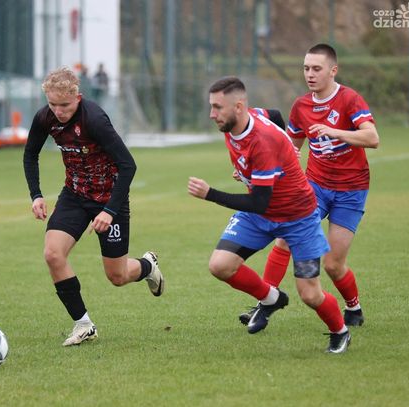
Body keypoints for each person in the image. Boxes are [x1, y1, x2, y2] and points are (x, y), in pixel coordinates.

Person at [188, 76, 350, 354]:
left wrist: (210, 193)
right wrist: (287, 151)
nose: (212, 114)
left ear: (238, 107)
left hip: (298, 219)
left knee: (310, 294)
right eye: (211, 106)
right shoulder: (246, 118)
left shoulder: (262, 142)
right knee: (220, 265)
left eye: (217, 107)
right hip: (260, 217)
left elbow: (258, 202)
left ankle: (341, 331)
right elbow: (274, 115)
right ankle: (271, 298)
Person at [240, 43, 379, 328]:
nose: (310, 74)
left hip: (351, 191)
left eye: (317, 69)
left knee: (333, 265)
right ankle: (265, 304)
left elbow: (372, 138)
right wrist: (254, 170)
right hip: (314, 186)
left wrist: (335, 131)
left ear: (333, 70)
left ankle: (353, 307)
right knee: (284, 239)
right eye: (306, 68)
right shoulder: (301, 106)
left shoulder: (350, 99)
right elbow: (288, 149)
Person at [23, 67, 164, 347]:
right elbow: (30, 154)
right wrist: (36, 195)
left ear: (78, 98)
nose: (58, 111)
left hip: (110, 198)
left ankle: (148, 266)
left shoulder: (95, 119)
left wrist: (109, 211)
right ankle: (84, 324)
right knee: (53, 254)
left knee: (117, 276)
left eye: (65, 105)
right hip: (74, 195)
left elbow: (128, 165)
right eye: (53, 104)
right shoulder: (45, 117)